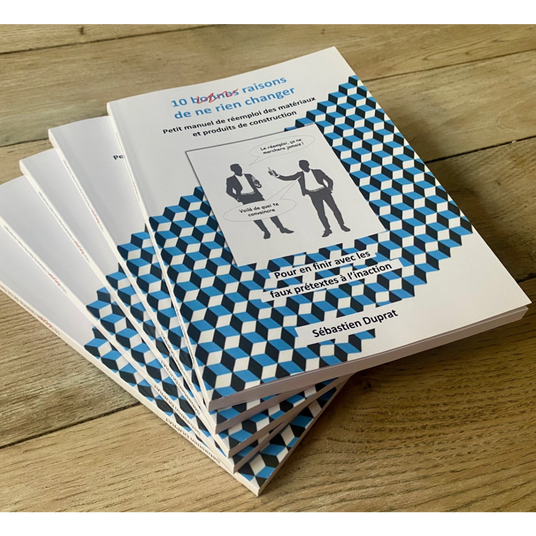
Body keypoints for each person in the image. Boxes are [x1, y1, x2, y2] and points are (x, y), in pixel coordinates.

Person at [270, 160, 350, 238]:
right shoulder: (299, 174)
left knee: (334, 209)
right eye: (301, 166)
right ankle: (327, 229)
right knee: (320, 212)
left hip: (324, 192)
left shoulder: (318, 171)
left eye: (303, 165)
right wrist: (276, 175)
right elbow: (287, 178)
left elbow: (329, 180)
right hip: (313, 194)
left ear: (308, 165)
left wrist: (330, 188)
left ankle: (342, 225)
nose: (302, 167)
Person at [226, 164, 294, 240]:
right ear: (233, 170)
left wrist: (257, 184)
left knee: (270, 211)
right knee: (255, 215)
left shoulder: (249, 175)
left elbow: (258, 185)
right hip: (245, 198)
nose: (239, 170)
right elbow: (228, 191)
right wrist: (237, 198)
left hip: (256, 196)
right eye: (236, 169)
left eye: (239, 168)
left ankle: (281, 228)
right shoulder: (230, 179)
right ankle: (265, 231)